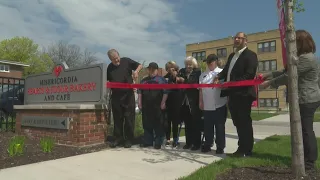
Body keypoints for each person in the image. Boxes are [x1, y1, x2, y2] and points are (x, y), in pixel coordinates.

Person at [260, 30, 320, 171]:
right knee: (303, 129)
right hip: (303, 97)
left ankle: (310, 163)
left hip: (307, 99)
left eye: (292, 42)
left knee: (306, 130)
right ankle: (303, 158)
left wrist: (269, 83)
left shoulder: (307, 59)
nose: (289, 45)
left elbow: (289, 75)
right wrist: (267, 75)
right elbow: (284, 71)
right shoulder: (301, 57)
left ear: (300, 43)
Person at [214, 32, 258, 157]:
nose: (236, 39)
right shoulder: (232, 55)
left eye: (239, 38)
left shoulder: (251, 55)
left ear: (246, 41)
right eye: (235, 38)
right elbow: (226, 70)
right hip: (232, 94)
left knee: (244, 122)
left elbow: (249, 75)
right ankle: (241, 148)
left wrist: (231, 83)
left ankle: (247, 150)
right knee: (237, 122)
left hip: (243, 94)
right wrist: (218, 77)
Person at [106, 49, 142, 148]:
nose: (116, 61)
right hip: (116, 96)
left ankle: (129, 139)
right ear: (110, 59)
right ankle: (118, 138)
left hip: (128, 96)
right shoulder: (109, 67)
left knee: (129, 118)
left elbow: (139, 65)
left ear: (119, 55)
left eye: (117, 58)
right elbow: (108, 82)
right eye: (114, 60)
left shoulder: (126, 61)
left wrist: (136, 72)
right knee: (117, 119)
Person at [199, 54, 228, 154]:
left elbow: (226, 88)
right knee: (207, 127)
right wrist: (201, 101)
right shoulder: (203, 75)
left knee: (219, 127)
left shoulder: (221, 72)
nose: (208, 63)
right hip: (207, 105)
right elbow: (200, 90)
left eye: (210, 61)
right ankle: (208, 144)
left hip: (219, 105)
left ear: (215, 61)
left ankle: (220, 146)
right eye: (207, 61)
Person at [138, 62, 169, 149]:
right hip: (146, 106)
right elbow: (140, 92)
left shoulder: (162, 80)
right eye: (150, 69)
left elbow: (166, 92)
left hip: (157, 106)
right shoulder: (143, 81)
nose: (151, 71)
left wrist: (163, 103)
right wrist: (139, 103)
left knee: (158, 124)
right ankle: (148, 141)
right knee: (147, 124)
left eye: (153, 69)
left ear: (157, 70)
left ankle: (158, 142)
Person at [177, 56, 202, 151]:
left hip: (194, 102)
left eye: (190, 64)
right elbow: (177, 79)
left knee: (196, 124)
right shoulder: (182, 71)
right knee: (187, 124)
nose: (188, 66)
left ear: (194, 65)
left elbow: (193, 82)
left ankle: (196, 144)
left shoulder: (198, 72)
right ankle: (188, 142)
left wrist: (184, 80)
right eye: (187, 64)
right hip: (184, 102)